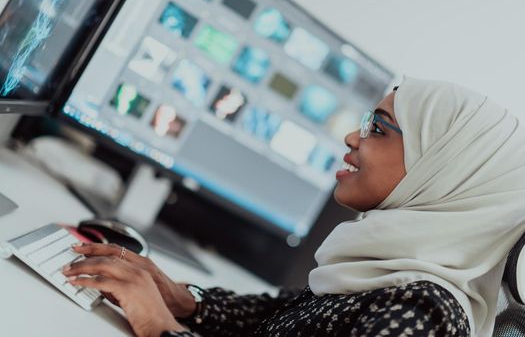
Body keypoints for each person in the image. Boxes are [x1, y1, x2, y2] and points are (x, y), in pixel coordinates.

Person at [62, 77, 525, 337]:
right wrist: (183, 300)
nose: (352, 137)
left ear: (442, 170)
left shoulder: (425, 316)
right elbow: (280, 319)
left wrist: (161, 328)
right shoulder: (384, 270)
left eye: (378, 128)